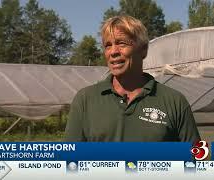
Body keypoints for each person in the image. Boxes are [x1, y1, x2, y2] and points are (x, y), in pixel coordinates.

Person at [65, 15, 200, 142]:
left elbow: (196, 159)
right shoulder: (85, 100)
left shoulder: (175, 102)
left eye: (121, 43)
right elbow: (70, 161)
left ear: (143, 50)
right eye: (108, 45)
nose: (113, 52)